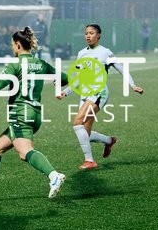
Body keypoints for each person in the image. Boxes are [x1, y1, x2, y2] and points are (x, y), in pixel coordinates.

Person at [0, 26, 69, 199]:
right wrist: (56, 82)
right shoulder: (41, 64)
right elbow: (65, 78)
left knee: (25, 152)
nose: (11, 47)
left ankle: (54, 176)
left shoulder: (15, 65)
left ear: (17, 45)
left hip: (20, 113)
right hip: (35, 114)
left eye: (12, 44)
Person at [58, 23, 144, 170]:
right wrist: (66, 91)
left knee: (77, 122)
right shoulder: (81, 53)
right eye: (86, 33)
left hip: (99, 93)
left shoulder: (105, 53)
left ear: (98, 35)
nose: (88, 36)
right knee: (85, 132)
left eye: (91, 33)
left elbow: (122, 69)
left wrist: (132, 85)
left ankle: (90, 160)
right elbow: (80, 78)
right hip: (85, 95)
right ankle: (109, 141)